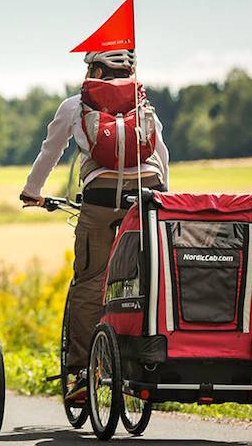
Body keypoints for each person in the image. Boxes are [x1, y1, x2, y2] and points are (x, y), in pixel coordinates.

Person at [18, 49, 169, 399]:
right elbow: (162, 154)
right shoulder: (143, 104)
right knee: (151, 280)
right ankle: (150, 357)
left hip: (101, 198)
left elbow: (50, 151)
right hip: (149, 194)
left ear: (96, 69)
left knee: (89, 281)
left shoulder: (76, 104)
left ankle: (84, 373)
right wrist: (165, 199)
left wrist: (32, 191)